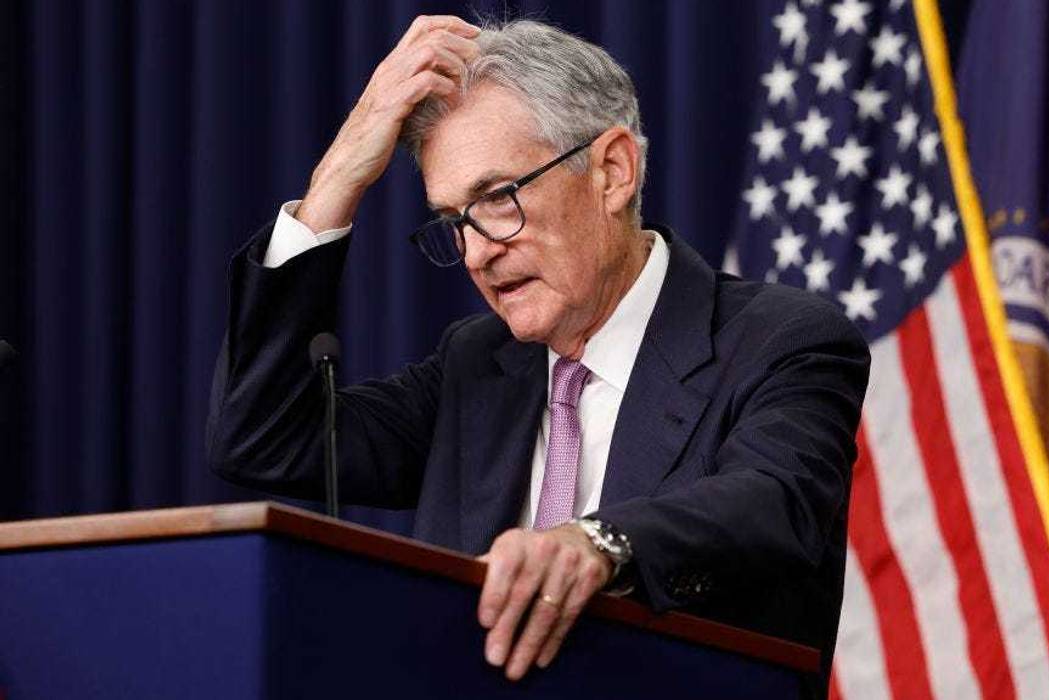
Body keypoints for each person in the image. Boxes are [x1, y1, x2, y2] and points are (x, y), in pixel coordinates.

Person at [206, 15, 869, 695]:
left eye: (497, 198)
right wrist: (338, 175)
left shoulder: (779, 340)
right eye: (452, 220)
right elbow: (262, 438)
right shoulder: (478, 364)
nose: (475, 250)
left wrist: (597, 544)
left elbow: (772, 501)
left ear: (612, 171)